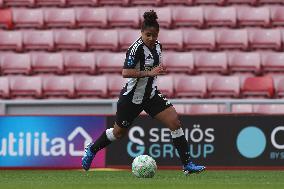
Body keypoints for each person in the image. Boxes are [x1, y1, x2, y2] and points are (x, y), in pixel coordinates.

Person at [82, 10, 205, 175]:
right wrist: (149, 72)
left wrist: (158, 71)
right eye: (148, 35)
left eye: (154, 35)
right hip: (132, 97)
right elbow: (125, 72)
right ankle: (92, 149)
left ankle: (187, 165)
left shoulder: (159, 47)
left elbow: (153, 68)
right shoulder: (136, 49)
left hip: (151, 95)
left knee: (174, 122)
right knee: (118, 133)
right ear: (141, 33)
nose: (151, 38)